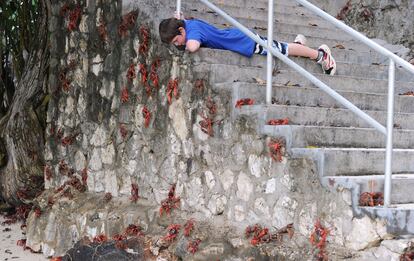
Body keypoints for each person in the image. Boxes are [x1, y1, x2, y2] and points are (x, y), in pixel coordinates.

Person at [159, 14, 336, 75]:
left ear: (181, 31)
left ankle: (321, 55)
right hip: (238, 39)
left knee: (283, 50)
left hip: (244, 42)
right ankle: (300, 45)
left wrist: (184, 42)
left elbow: (193, 46)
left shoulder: (192, 31)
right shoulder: (189, 26)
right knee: (278, 48)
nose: (177, 45)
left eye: (176, 41)